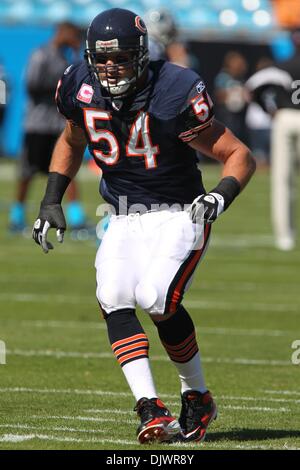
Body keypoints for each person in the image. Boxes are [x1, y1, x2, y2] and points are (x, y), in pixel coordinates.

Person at [32, 8, 256, 444]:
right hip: (122, 214)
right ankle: (150, 408)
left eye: (120, 58)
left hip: (180, 211)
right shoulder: (79, 84)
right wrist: (51, 198)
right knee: (113, 295)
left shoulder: (173, 88)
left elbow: (238, 154)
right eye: (103, 59)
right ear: (89, 57)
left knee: (155, 297)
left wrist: (220, 195)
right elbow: (71, 138)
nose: (110, 68)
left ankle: (197, 396)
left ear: (141, 54)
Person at [9, 22, 87, 232]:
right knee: (28, 172)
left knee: (65, 169)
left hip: (57, 125)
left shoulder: (67, 58)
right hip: (38, 123)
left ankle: (76, 216)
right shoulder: (41, 54)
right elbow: (32, 85)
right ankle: (17, 215)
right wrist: (60, 91)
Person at [246, 59, 300, 251]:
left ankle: (285, 236)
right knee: (283, 179)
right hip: (288, 115)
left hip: (285, 117)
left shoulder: (282, 66)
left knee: (282, 180)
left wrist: (268, 109)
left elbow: (253, 87)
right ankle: (285, 236)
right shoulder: (282, 67)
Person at [214, 51, 249, 144]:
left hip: (239, 113)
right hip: (227, 113)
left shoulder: (241, 78)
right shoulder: (223, 77)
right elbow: (219, 95)